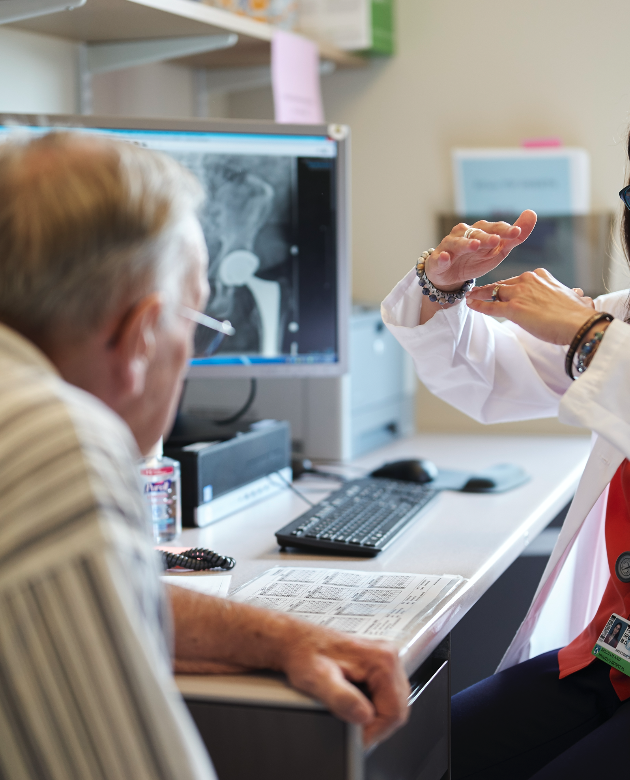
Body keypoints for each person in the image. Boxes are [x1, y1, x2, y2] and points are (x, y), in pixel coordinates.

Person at [382, 79, 630, 779]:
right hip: (617, 658)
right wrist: (442, 287)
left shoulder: (621, 335)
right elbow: (483, 376)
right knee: (413, 760)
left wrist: (587, 334)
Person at [0, 131, 409, 780]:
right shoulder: (52, 442)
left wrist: (282, 639)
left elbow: (107, 598)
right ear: (140, 338)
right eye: (196, 324)